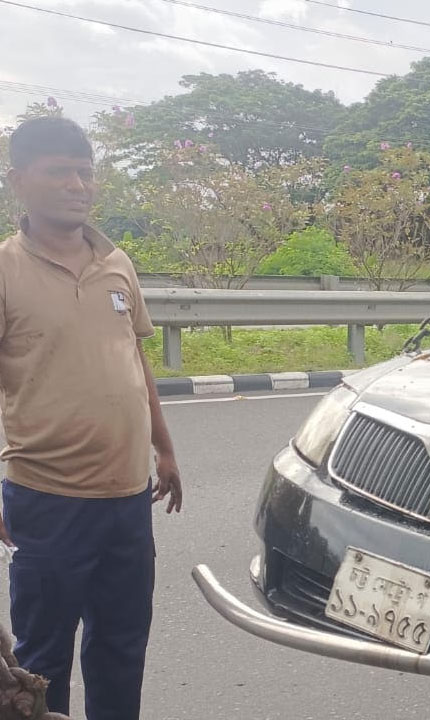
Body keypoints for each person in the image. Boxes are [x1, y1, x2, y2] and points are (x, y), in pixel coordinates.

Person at [0, 116, 182, 719]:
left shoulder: (117, 262)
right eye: (59, 172)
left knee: (122, 647)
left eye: (85, 173)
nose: (77, 185)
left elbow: (134, 357)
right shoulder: (4, 270)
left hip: (128, 498)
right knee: (43, 659)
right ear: (19, 179)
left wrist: (165, 448)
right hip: (46, 499)